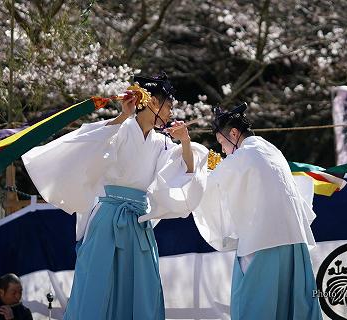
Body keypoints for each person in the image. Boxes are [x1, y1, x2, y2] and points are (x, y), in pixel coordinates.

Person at [21, 73, 208, 319]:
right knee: (99, 283)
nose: (171, 113)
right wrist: (122, 116)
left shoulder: (161, 142)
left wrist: (184, 142)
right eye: (169, 106)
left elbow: (185, 169)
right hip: (109, 217)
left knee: (143, 285)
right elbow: (92, 142)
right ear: (152, 103)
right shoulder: (122, 128)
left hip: (139, 220)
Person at [192, 103, 323, 320]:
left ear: (234, 133)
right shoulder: (272, 150)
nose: (223, 150)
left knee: (252, 307)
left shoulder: (244, 155)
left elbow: (208, 189)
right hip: (294, 240)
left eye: (223, 143)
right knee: (292, 308)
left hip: (262, 243)